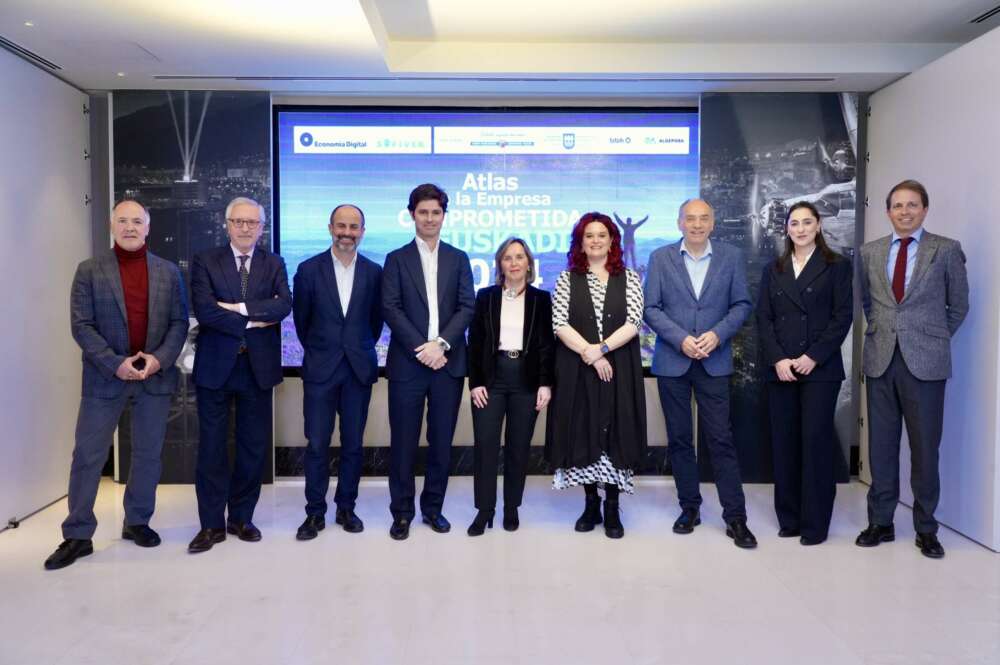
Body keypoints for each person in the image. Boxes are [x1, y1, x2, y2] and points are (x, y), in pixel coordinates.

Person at [44, 199, 188, 570]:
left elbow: (178, 324)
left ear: (147, 227)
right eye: (122, 221)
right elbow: (82, 326)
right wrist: (115, 364)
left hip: (153, 376)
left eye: (136, 221)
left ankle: (137, 521)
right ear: (112, 227)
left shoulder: (168, 272)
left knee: (147, 455)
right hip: (105, 378)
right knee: (88, 456)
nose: (129, 227)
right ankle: (77, 534)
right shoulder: (89, 271)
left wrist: (157, 359)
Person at [856, 180, 969, 559]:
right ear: (888, 211)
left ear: (924, 209)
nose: (905, 211)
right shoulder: (869, 252)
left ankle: (926, 528)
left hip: (926, 362)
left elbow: (959, 306)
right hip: (881, 358)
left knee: (925, 450)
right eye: (898, 205)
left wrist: (932, 338)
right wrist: (889, 332)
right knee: (882, 447)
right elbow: (869, 305)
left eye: (913, 205)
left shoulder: (946, 250)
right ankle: (881, 522)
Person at [643, 198, 757, 548]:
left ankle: (735, 517)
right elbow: (650, 307)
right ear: (679, 223)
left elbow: (742, 304)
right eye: (689, 218)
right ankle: (689, 507)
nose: (696, 224)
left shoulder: (730, 257)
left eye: (703, 218)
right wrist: (680, 340)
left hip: (714, 360)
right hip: (673, 363)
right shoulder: (661, 258)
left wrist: (716, 335)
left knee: (720, 440)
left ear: (713, 222)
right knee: (679, 440)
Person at [187, 197, 292, 553]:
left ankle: (242, 518)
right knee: (212, 449)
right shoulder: (205, 260)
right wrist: (253, 319)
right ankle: (211, 525)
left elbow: (283, 306)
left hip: (257, 369)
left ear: (262, 227)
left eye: (252, 222)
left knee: (252, 449)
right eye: (238, 221)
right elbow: (204, 310)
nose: (245, 228)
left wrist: (235, 308)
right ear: (227, 224)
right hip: (216, 368)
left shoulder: (274, 262)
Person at [756, 201, 853, 546]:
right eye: (794, 223)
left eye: (806, 222)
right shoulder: (774, 268)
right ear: (786, 229)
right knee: (784, 444)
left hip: (820, 369)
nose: (800, 229)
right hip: (781, 369)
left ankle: (815, 525)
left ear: (818, 226)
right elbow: (764, 319)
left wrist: (813, 356)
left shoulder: (837, 266)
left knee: (814, 444)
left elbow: (842, 317)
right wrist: (779, 359)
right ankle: (790, 518)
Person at [545, 212, 646, 539]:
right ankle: (590, 503)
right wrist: (589, 354)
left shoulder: (629, 277)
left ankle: (612, 507)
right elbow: (559, 324)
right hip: (578, 369)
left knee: (615, 430)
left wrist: (599, 350)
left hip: (619, 369)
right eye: (589, 235)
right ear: (581, 241)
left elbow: (633, 323)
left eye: (602, 234)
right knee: (583, 430)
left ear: (612, 239)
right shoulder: (567, 279)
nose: (596, 240)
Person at [382, 184, 475, 540]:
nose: (430, 218)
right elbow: (391, 307)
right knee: (403, 442)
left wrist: (441, 345)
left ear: (444, 215)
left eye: (436, 212)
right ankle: (401, 512)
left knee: (440, 442)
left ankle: (432, 509)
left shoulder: (459, 258)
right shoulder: (396, 259)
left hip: (448, 366)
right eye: (423, 212)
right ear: (412, 215)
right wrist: (423, 347)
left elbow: (467, 306)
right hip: (409, 364)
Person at [292, 204, 383, 540]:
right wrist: (324, 349)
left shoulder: (375, 272)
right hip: (320, 370)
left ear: (362, 230)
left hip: (358, 370)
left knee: (353, 444)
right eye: (341, 226)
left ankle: (346, 508)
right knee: (316, 444)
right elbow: (302, 322)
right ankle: (314, 513)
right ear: (330, 227)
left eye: (354, 227)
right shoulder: (308, 270)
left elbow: (375, 323)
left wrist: (354, 348)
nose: (347, 232)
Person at [467, 238, 554, 536]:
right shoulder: (486, 297)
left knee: (518, 448)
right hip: (491, 380)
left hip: (526, 381)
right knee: (486, 446)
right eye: (507, 257)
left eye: (519, 257)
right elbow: (475, 343)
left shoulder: (542, 299)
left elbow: (546, 346)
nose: (514, 262)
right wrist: (475, 383)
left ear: (528, 263)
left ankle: (511, 508)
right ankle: (484, 510)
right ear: (500, 264)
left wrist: (545, 384)